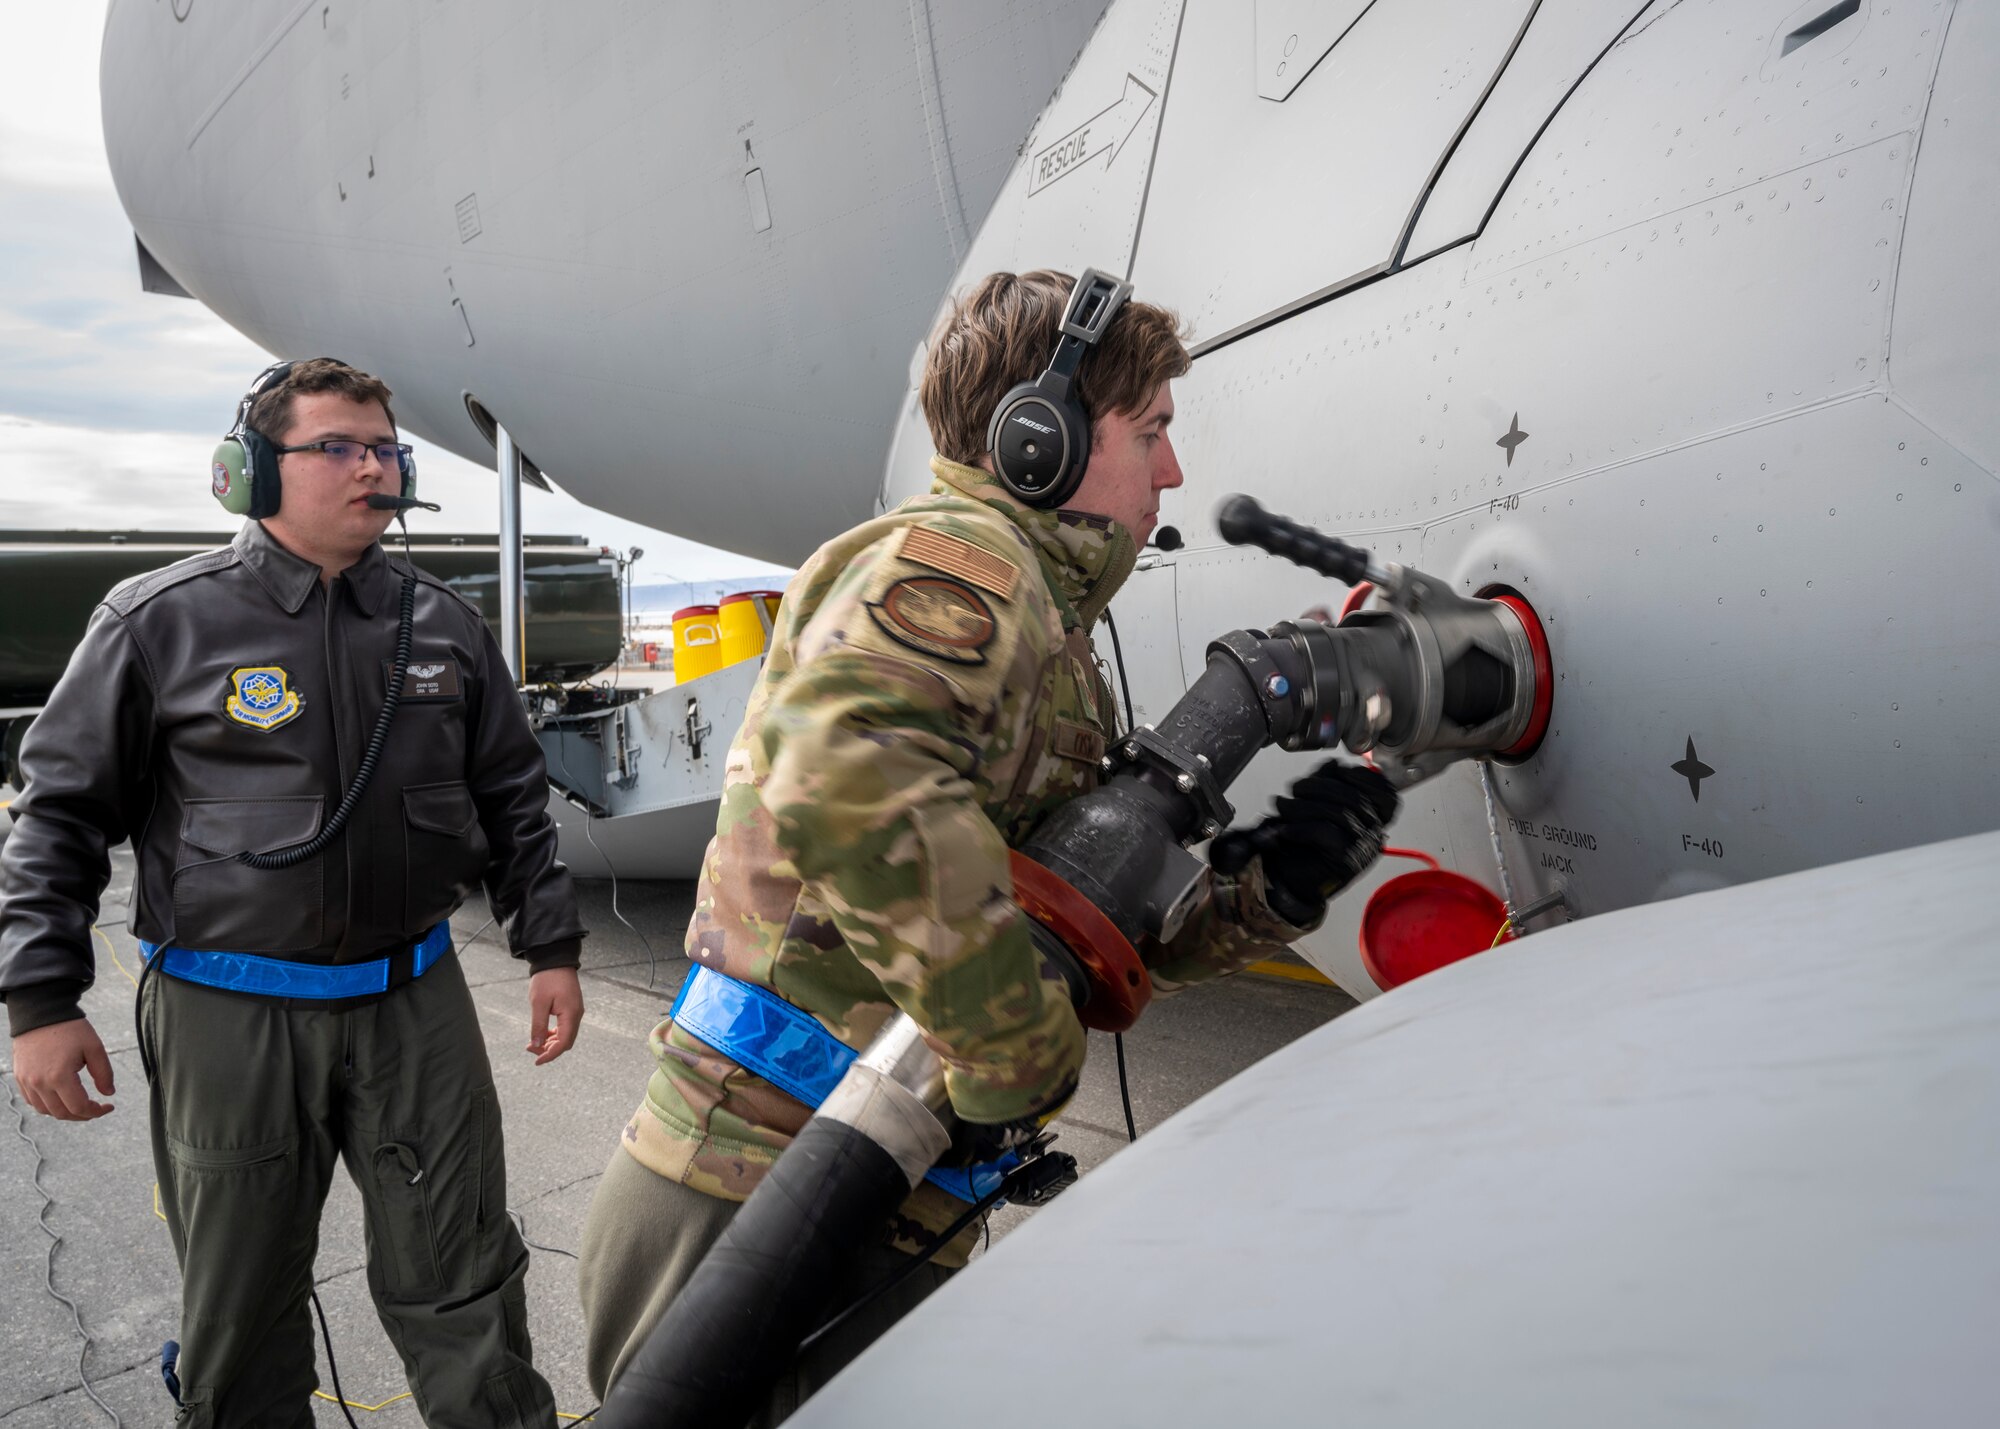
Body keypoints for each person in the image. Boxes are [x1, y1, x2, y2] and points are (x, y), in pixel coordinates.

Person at [574, 269, 1399, 1411]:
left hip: (873, 1192)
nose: (1172, 467)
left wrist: (1265, 895)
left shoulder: (1043, 619)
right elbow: (847, 768)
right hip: (758, 1191)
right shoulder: (963, 573)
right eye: (1151, 429)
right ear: (1037, 439)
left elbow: (1059, 923)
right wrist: (1017, 1049)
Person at [0, 358, 587, 1428]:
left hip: (414, 1004)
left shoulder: (445, 626)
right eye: (339, 447)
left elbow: (512, 796)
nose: (375, 467)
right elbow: (59, 814)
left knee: (464, 1274)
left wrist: (549, 946)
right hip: (229, 1013)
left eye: (385, 449)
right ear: (250, 473)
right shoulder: (156, 621)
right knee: (242, 1303)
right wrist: (40, 1000)